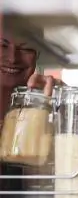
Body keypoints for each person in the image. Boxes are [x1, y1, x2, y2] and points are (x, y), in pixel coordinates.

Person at [0, 31, 64, 193]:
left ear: (38, 54)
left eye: (26, 48)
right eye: (2, 45)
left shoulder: (46, 103)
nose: (13, 58)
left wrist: (64, 107)